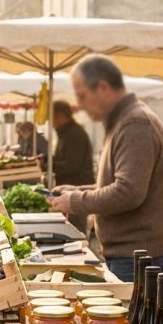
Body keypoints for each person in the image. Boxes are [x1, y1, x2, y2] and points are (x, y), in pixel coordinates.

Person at [50, 54, 163, 281]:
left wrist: (76, 200)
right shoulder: (124, 121)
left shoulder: (134, 124)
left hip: (139, 255)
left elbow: (129, 192)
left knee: (132, 317)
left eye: (82, 96)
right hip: (130, 253)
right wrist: (77, 190)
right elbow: (117, 183)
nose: (80, 105)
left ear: (103, 88)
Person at [50, 100, 96, 235]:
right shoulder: (65, 133)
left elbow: (72, 166)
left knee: (75, 233)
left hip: (77, 189)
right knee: (69, 231)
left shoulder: (75, 134)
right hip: (69, 189)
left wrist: (50, 166)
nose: (50, 120)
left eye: (52, 116)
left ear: (60, 115)